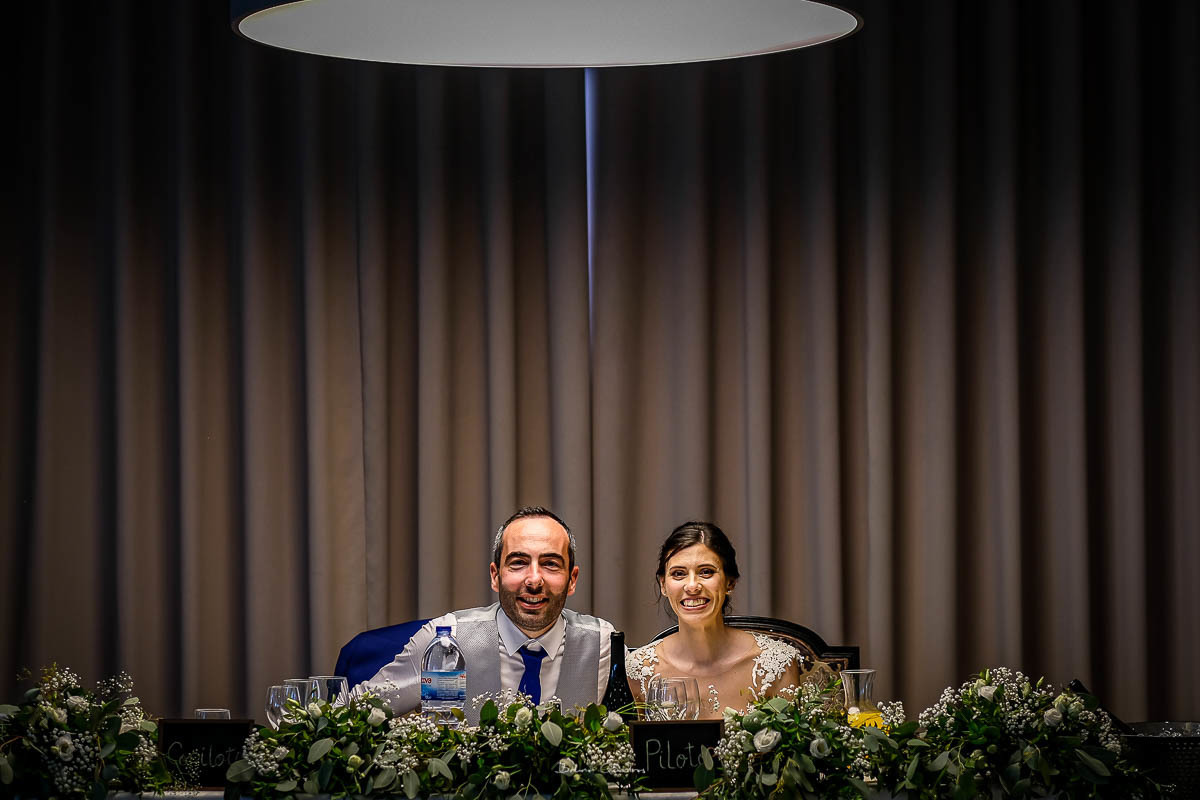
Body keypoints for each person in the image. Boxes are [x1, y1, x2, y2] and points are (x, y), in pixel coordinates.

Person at [360, 506, 615, 723]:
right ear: (495, 576)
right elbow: (352, 714)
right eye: (518, 563)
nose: (534, 580)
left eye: (550, 564)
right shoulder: (447, 640)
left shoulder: (604, 643)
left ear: (572, 579)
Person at [626, 521, 824, 719]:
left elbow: (790, 737)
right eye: (679, 574)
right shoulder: (638, 670)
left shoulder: (776, 665)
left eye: (706, 572)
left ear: (730, 582)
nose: (692, 586)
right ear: (663, 585)